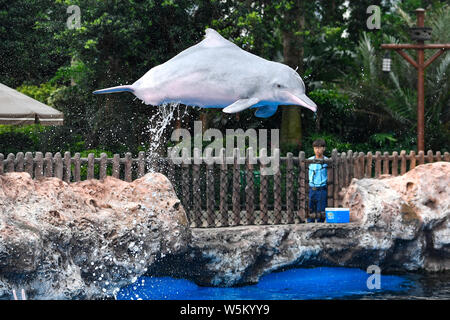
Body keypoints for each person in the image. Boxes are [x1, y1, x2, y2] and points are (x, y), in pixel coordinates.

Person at [308, 139, 328, 223]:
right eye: (315, 148)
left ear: (324, 149)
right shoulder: (309, 160)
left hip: (322, 189)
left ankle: (320, 224)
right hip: (311, 188)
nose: (317, 150)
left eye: (319, 148)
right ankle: (310, 223)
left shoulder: (327, 161)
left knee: (321, 208)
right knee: (310, 208)